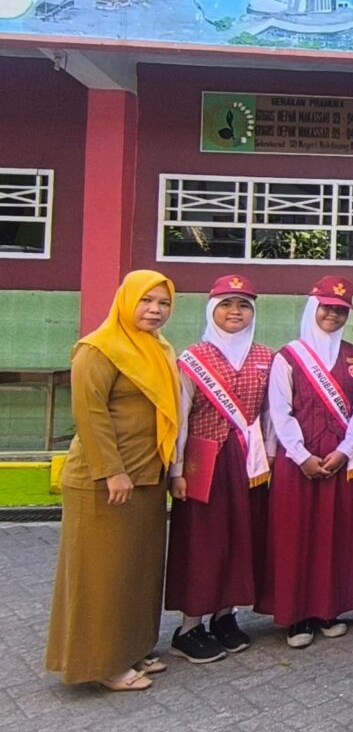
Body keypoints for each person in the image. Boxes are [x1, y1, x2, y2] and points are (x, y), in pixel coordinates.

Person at [45, 270, 179, 691]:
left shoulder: (158, 349)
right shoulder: (98, 349)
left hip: (146, 476)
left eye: (163, 303)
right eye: (146, 301)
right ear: (126, 300)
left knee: (136, 572)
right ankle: (100, 662)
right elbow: (90, 415)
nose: (155, 310)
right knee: (100, 575)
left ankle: (131, 647)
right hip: (105, 481)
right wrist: (112, 471)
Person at [164, 274, 275, 663]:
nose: (235, 312)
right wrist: (176, 469)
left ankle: (226, 615)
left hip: (250, 462)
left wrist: (272, 456)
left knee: (243, 536)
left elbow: (269, 415)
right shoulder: (193, 358)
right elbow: (179, 417)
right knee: (203, 542)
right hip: (205, 460)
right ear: (212, 310)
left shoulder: (265, 356)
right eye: (227, 304)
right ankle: (189, 626)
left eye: (243, 305)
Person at [260, 275, 353, 648]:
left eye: (341, 310)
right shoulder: (288, 356)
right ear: (313, 307)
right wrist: (302, 456)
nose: (333, 315)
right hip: (299, 463)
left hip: (340, 460)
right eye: (327, 308)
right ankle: (297, 615)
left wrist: (344, 450)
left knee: (335, 534)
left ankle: (329, 608)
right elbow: (280, 410)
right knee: (296, 535)